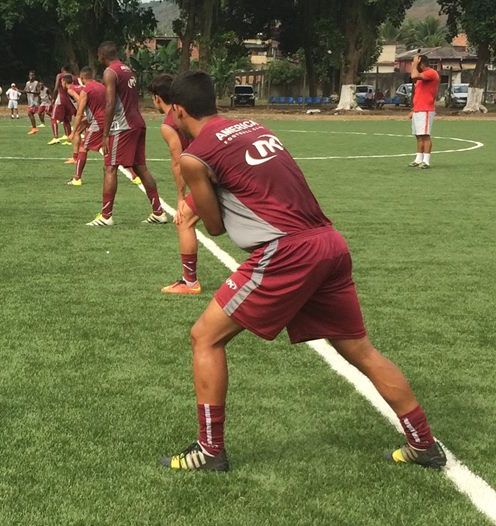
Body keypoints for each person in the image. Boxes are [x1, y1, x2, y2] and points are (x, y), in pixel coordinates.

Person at [162, 71, 446, 472]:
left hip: (286, 252)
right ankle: (424, 444)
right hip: (328, 241)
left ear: (178, 109)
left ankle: (210, 451)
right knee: (359, 350)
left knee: (204, 337)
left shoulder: (195, 156)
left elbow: (215, 226)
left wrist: (196, 199)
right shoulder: (251, 125)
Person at [88, 42, 167, 226]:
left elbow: (109, 104)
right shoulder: (127, 69)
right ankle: (158, 212)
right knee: (140, 167)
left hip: (122, 126)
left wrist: (105, 134)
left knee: (110, 167)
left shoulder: (110, 72)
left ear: (101, 55)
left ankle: (106, 216)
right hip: (137, 122)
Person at [150, 74, 200, 295]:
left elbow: (177, 162)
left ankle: (190, 283)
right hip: (219, 169)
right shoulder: (192, 109)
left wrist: (181, 198)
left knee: (184, 220)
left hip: (209, 175)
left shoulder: (169, 124)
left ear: (156, 98)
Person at [409, 54, 439, 169]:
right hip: (418, 109)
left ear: (421, 63)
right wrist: (413, 109)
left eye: (416, 63)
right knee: (418, 136)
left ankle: (426, 161)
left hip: (426, 110)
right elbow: (419, 93)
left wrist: (415, 64)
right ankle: (418, 159)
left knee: (425, 135)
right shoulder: (421, 78)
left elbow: (413, 75)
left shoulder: (431, 73)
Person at [48, 65, 74, 145]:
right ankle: (68, 138)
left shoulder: (60, 75)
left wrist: (53, 98)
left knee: (53, 118)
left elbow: (56, 88)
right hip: (69, 100)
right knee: (66, 119)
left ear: (62, 69)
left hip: (61, 98)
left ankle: (56, 137)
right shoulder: (73, 77)